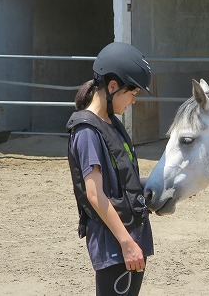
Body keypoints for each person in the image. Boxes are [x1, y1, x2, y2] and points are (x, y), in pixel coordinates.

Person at [66, 42, 154, 296]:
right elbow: (95, 194)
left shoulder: (111, 124)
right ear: (113, 87)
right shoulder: (87, 132)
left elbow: (123, 180)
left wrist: (155, 189)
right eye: (133, 94)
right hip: (115, 245)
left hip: (130, 235)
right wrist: (127, 243)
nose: (134, 101)